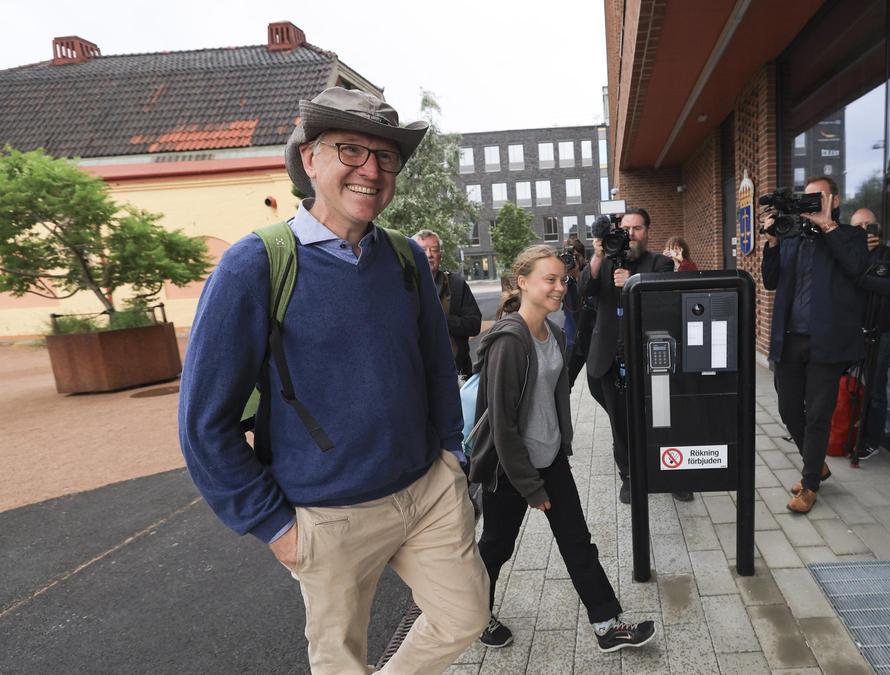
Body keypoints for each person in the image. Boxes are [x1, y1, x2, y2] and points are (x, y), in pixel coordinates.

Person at [178, 87, 489, 674]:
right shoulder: (254, 265)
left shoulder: (404, 258)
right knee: (341, 663)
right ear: (310, 159)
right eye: (350, 150)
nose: (370, 170)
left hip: (427, 491)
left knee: (465, 616)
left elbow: (435, 365)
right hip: (329, 515)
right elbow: (203, 425)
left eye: (385, 157)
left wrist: (452, 455)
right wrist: (274, 525)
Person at [470, 245, 656, 652]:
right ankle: (475, 615)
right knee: (496, 547)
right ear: (523, 282)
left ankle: (607, 624)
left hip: (550, 458)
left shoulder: (552, 333)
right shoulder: (509, 341)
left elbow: (554, 397)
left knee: (577, 542)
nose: (560, 287)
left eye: (563, 280)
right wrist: (530, 486)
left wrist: (560, 446)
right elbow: (502, 426)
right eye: (549, 280)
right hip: (511, 468)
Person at [762, 176, 869, 514]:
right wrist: (773, 242)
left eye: (818, 197)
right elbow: (770, 280)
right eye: (806, 198)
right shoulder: (792, 237)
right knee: (788, 409)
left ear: (834, 200)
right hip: (790, 339)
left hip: (827, 342)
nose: (811, 203)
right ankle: (817, 465)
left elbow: (857, 268)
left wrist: (827, 226)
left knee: (818, 415)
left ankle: (810, 484)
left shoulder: (851, 236)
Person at [579, 208, 690, 504]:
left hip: (649, 360)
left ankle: (671, 472)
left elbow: (666, 305)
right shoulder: (604, 262)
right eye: (626, 229)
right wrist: (597, 255)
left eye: (637, 228)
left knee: (662, 418)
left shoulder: (659, 263)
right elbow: (584, 290)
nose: (630, 235)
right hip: (609, 357)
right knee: (621, 422)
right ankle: (629, 475)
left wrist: (634, 282)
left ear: (647, 231)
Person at [850, 208, 890, 460]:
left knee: (875, 389)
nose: (864, 229)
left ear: (878, 227)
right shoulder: (849, 256)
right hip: (849, 329)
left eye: (868, 224)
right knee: (845, 384)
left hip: (879, 331)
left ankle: (872, 439)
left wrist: (860, 279)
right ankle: (846, 429)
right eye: (858, 226)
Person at [414, 229, 482, 378]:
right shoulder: (404, 287)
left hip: (455, 374)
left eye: (434, 250)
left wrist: (442, 319)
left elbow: (474, 325)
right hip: (417, 375)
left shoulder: (456, 284)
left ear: (440, 254)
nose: (429, 255)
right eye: (423, 250)